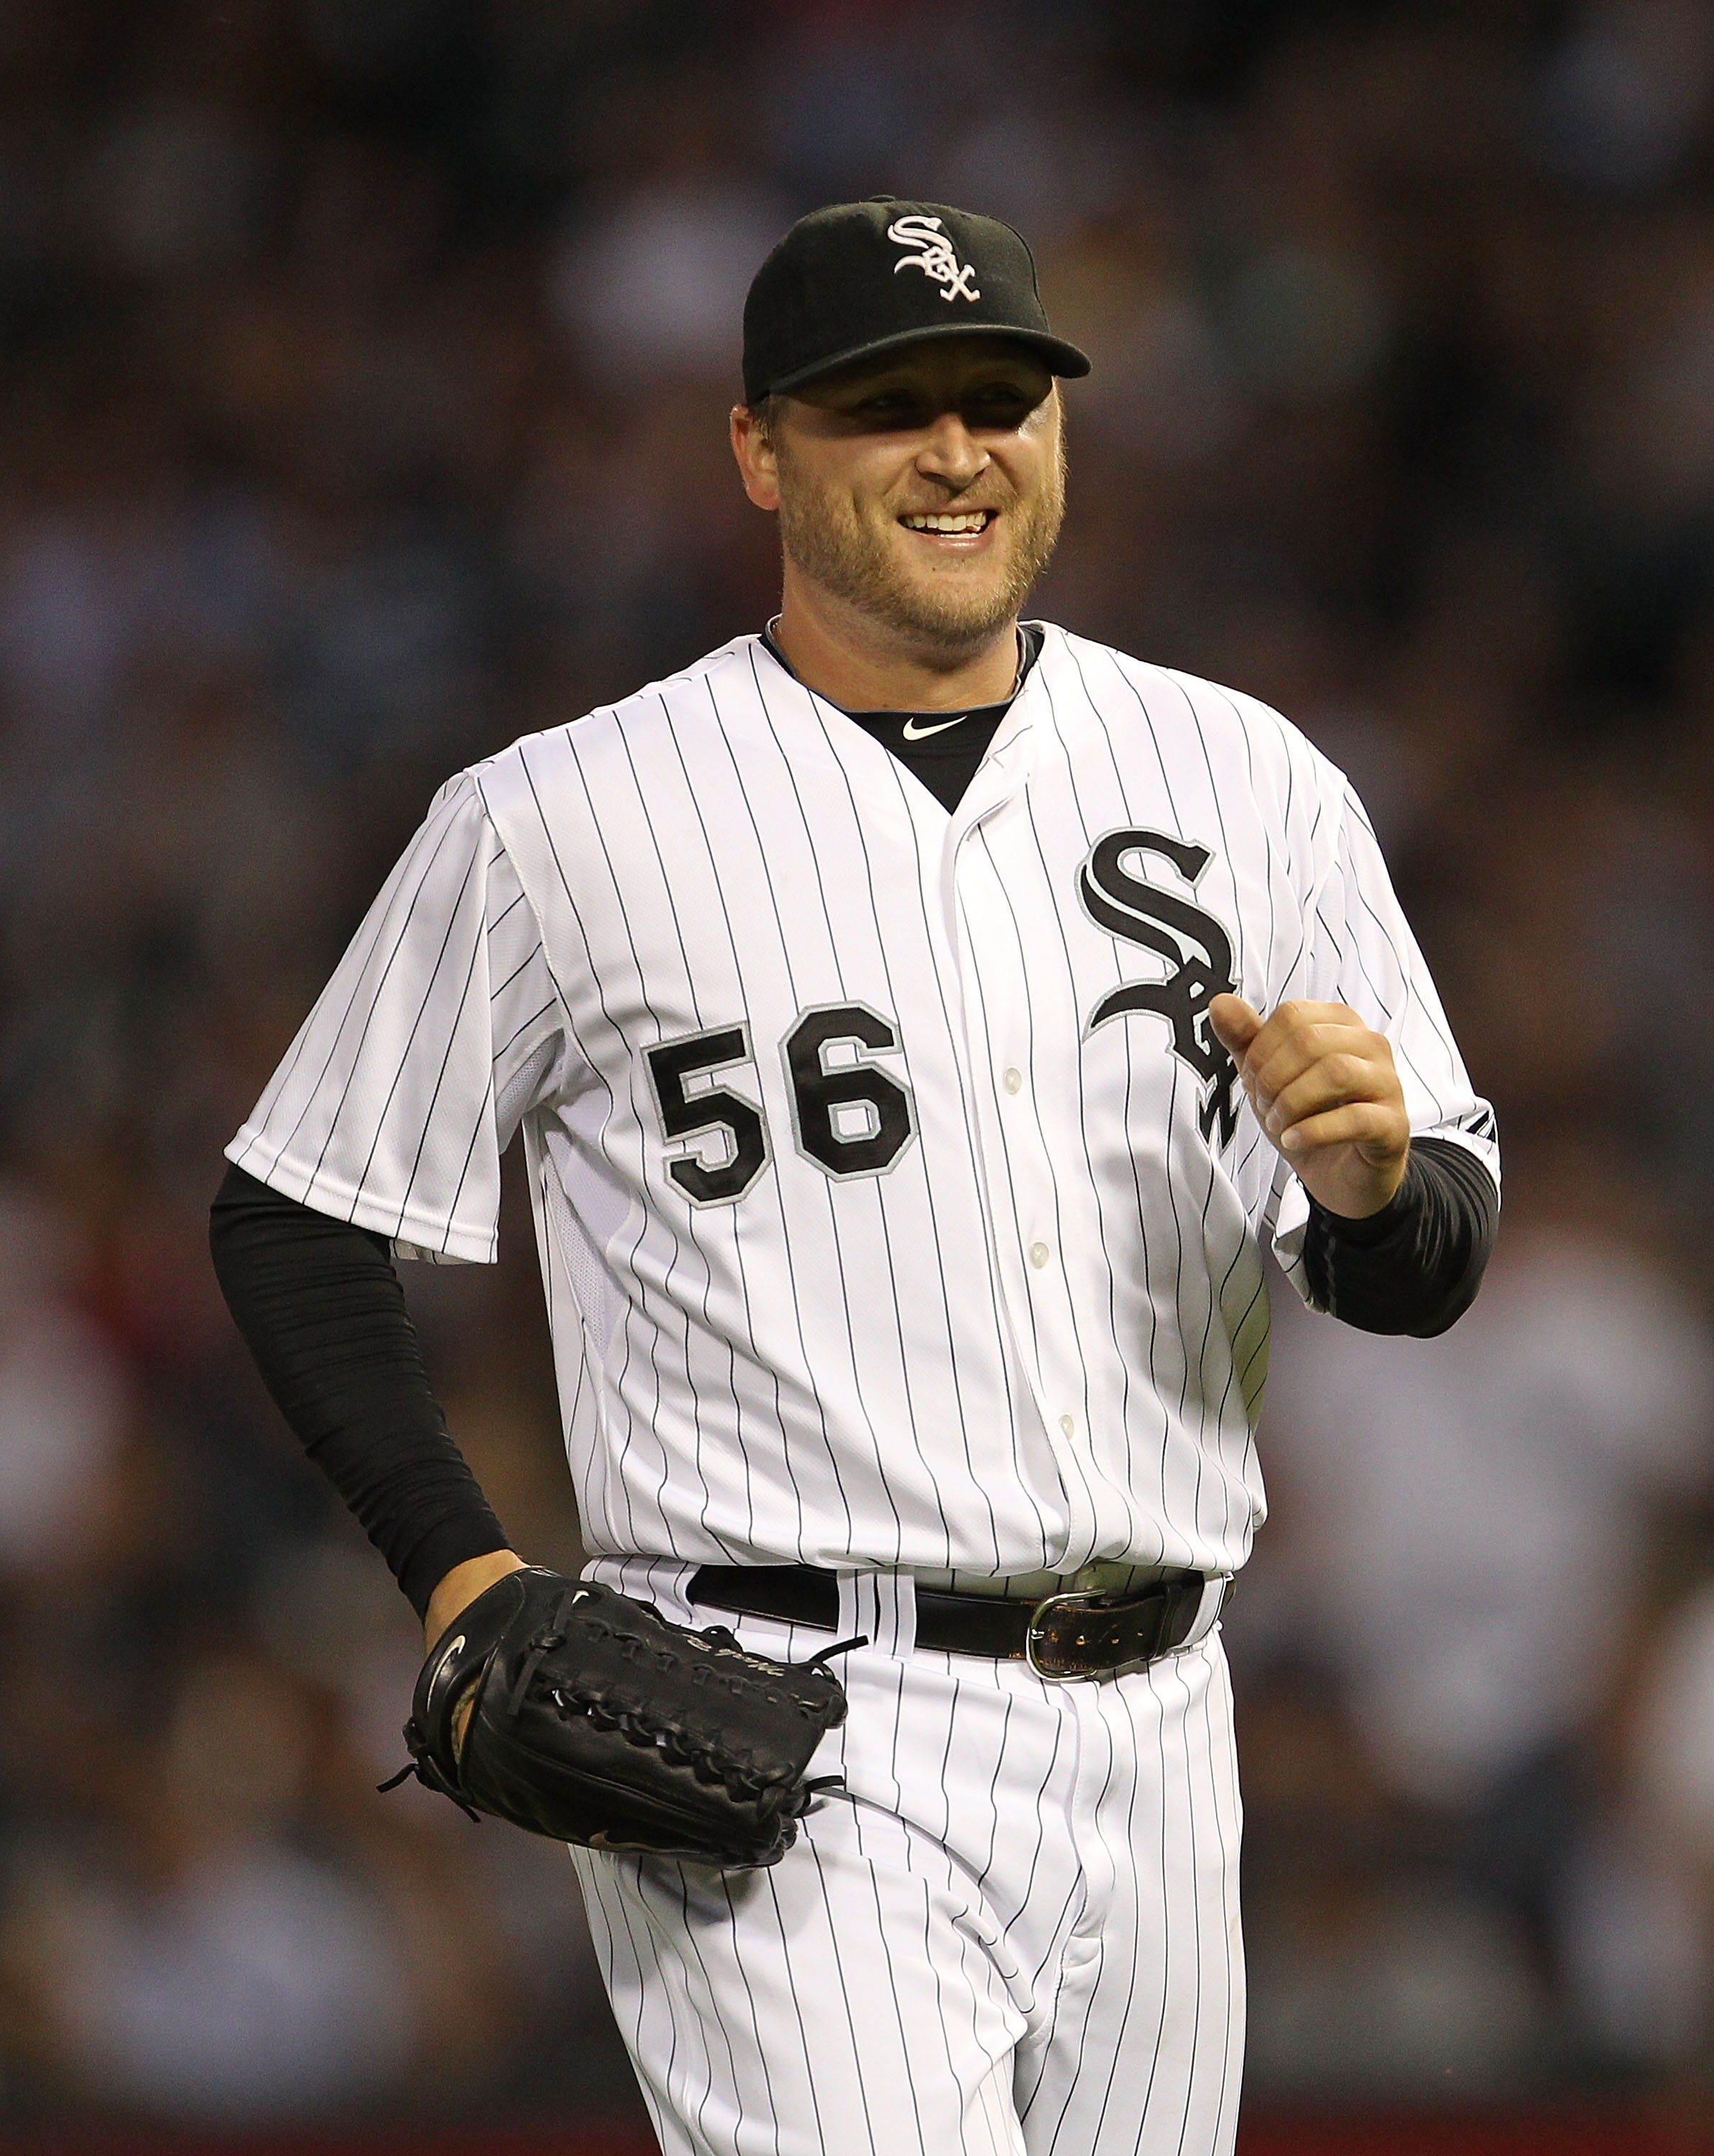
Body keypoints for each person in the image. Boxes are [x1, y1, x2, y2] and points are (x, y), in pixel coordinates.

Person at [210, 198, 1498, 2156]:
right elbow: (298, 1209)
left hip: (1159, 1722)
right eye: (883, 407)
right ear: (757, 450)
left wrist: (1370, 1188)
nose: (955, 449)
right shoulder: (563, 819)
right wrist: (458, 1568)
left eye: (999, 398)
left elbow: (1418, 1268)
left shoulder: (1248, 781)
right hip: (775, 1726)